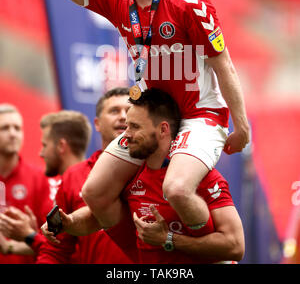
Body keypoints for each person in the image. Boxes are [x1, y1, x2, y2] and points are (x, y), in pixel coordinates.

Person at [37, 0, 250, 234]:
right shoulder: (118, 2)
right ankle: (141, 254)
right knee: (95, 191)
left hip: (200, 117)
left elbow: (223, 64)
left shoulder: (191, 5)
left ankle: (204, 250)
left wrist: (240, 125)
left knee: (177, 189)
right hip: (153, 119)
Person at [46, 88, 244, 264]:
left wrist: (168, 239)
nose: (126, 134)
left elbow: (235, 246)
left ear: (163, 129)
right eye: (127, 126)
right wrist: (69, 222)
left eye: (135, 127)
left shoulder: (197, 177)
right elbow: (95, 217)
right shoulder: (132, 176)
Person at [0, 89, 135, 263]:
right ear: (97, 123)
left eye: (129, 111)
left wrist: (28, 237)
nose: (123, 116)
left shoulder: (152, 168)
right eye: (114, 110)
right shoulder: (73, 176)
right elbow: (55, 249)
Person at [0, 104, 53, 264]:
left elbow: (52, 239)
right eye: (5, 128)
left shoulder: (38, 177)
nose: (13, 134)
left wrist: (28, 234)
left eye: (17, 128)